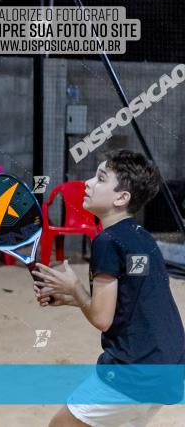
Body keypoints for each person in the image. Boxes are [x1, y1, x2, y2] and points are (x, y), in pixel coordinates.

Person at [34, 150, 185, 427]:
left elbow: (103, 320)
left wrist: (76, 289)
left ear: (121, 198)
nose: (88, 183)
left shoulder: (107, 241)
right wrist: (71, 297)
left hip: (135, 369)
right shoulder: (142, 237)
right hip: (172, 365)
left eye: (100, 178)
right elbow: (130, 301)